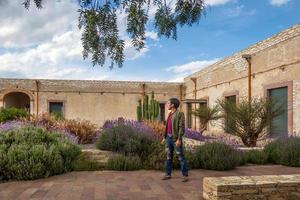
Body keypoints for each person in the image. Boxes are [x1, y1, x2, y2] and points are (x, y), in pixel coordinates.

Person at [161, 98, 189, 182]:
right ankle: (168, 174)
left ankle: (185, 175)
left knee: (181, 157)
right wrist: (164, 137)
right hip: (168, 139)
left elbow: (181, 127)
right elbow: (167, 127)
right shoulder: (169, 114)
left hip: (175, 139)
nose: (167, 104)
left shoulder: (180, 114)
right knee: (168, 157)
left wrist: (179, 139)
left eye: (168, 103)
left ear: (172, 105)